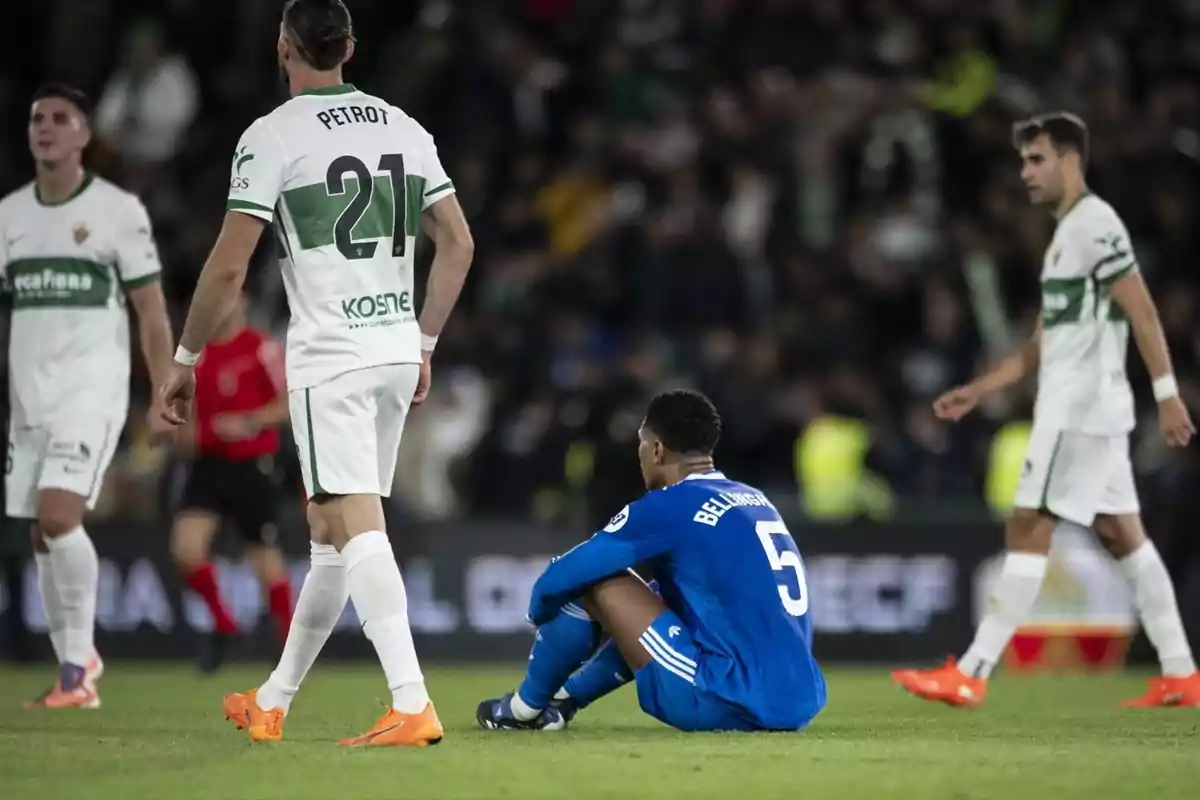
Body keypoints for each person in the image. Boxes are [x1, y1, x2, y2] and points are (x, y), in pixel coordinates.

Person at [158, 0, 473, 747]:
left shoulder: (273, 136)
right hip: (396, 350)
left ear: (282, 47)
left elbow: (231, 262)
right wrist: (425, 341)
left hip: (332, 356)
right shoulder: (403, 126)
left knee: (355, 521)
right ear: (351, 48)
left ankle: (411, 700)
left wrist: (185, 359)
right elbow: (457, 243)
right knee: (330, 530)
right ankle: (274, 699)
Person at [892, 112, 1200, 708]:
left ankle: (973, 671)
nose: (1026, 172)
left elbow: (1141, 309)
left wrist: (1167, 396)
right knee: (1123, 535)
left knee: (1029, 524)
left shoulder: (1095, 226)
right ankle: (1183, 672)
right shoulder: (1066, 238)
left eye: (1037, 160)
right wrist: (982, 388)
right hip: (1085, 405)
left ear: (1070, 161)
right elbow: (1042, 342)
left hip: (1079, 408)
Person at [476, 390, 826, 733]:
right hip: (797, 701)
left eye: (641, 444)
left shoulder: (670, 505)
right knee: (661, 597)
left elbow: (565, 575)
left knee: (594, 581)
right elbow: (650, 622)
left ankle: (523, 710)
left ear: (656, 449)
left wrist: (538, 611)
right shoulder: (752, 498)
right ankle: (565, 700)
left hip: (726, 698)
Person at [1, 83, 174, 709]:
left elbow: (150, 311)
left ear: (82, 135)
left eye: (60, 118)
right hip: (29, 399)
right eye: (36, 118)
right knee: (41, 535)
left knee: (58, 517)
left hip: (91, 391)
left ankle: (79, 665)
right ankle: (74, 668)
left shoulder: (117, 211)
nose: (45, 127)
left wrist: (162, 389)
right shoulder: (9, 217)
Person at [170, 292, 292, 674]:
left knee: (265, 559)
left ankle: (289, 645)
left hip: (252, 464)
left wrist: (250, 421)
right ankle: (224, 624)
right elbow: (186, 407)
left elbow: (290, 402)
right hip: (209, 464)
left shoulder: (261, 347)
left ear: (241, 302)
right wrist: (184, 432)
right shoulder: (196, 354)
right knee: (186, 547)